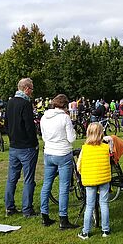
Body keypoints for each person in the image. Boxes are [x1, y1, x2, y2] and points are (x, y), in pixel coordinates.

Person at [39, 94, 78, 229]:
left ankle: (44, 215)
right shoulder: (65, 118)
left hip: (49, 152)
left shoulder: (44, 117)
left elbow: (43, 136)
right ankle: (63, 218)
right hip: (63, 153)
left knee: (46, 184)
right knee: (64, 186)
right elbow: (72, 138)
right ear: (65, 106)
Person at [4, 78, 39, 218]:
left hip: (14, 146)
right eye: (31, 89)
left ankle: (9, 206)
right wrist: (34, 142)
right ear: (26, 88)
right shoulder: (25, 104)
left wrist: (12, 137)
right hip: (27, 146)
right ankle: (27, 209)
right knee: (29, 178)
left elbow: (6, 123)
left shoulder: (10, 102)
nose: (31, 92)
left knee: (12, 178)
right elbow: (29, 126)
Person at [77, 122, 113, 239]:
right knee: (104, 203)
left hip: (90, 180)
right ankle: (106, 230)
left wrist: (83, 172)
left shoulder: (84, 149)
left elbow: (79, 166)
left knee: (90, 205)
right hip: (104, 178)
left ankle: (85, 231)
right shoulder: (105, 147)